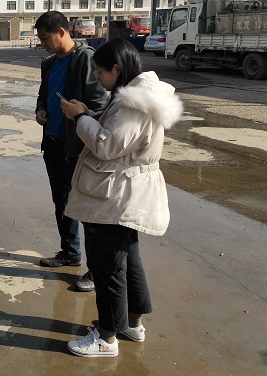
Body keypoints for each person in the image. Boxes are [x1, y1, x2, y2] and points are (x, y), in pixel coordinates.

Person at [61, 38, 182, 357]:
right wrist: (89, 113)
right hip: (126, 193)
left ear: (117, 69)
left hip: (115, 195)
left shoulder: (133, 104)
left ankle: (107, 338)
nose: (98, 77)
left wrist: (79, 118)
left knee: (108, 267)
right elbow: (119, 136)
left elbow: (106, 144)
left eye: (101, 71)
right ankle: (131, 323)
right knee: (128, 262)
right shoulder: (139, 97)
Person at [35, 11, 108, 292]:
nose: (43, 43)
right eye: (40, 38)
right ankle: (69, 252)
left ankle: (96, 270)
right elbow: (43, 95)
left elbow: (100, 106)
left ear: (62, 32)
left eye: (46, 38)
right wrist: (41, 110)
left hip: (76, 148)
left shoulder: (85, 59)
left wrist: (80, 113)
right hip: (53, 143)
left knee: (87, 210)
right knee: (62, 202)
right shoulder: (49, 64)